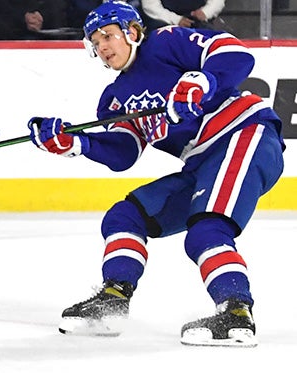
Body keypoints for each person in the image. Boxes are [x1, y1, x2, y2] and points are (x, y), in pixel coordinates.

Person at [27, 1, 283, 347]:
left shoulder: (164, 43)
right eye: (95, 41)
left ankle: (236, 315)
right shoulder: (114, 99)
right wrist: (75, 143)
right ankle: (113, 299)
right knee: (125, 217)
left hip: (244, 134)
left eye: (108, 36)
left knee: (206, 230)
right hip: (201, 162)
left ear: (132, 32)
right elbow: (124, 152)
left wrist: (200, 80)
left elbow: (234, 52)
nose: (102, 47)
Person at [0, 0, 71, 39]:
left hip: (47, 27)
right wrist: (22, 18)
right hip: (9, 28)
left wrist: (42, 16)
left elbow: (60, 4)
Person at [140, 0, 224, 30]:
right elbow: (150, 6)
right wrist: (177, 20)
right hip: (164, 23)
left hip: (198, 21)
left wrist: (206, 12)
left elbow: (217, 2)